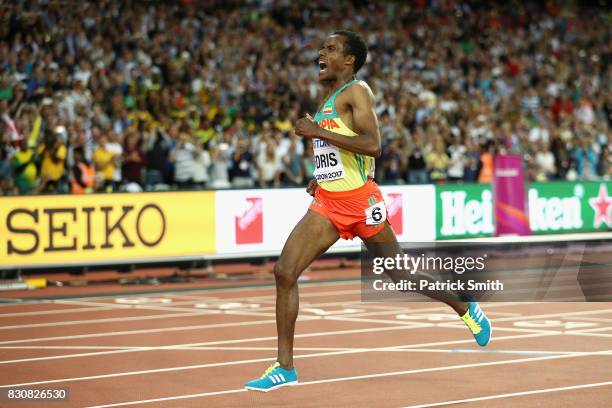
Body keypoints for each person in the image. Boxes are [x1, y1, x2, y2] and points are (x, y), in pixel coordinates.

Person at [245, 31, 492, 392]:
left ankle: (465, 307)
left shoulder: (357, 92)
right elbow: (346, 153)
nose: (321, 52)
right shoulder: (330, 97)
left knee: (400, 275)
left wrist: (317, 132)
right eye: (322, 48)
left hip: (362, 203)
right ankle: (285, 367)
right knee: (284, 272)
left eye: (330, 49)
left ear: (349, 60)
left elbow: (373, 145)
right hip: (329, 203)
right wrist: (322, 175)